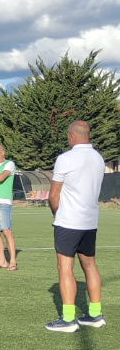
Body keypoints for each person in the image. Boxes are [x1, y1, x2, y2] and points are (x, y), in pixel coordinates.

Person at [46, 121, 106, 332]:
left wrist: (57, 213)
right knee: (90, 265)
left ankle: (68, 319)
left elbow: (53, 196)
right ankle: (95, 315)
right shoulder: (98, 158)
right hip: (90, 221)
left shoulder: (65, 159)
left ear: (72, 136)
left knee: (65, 267)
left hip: (69, 221)